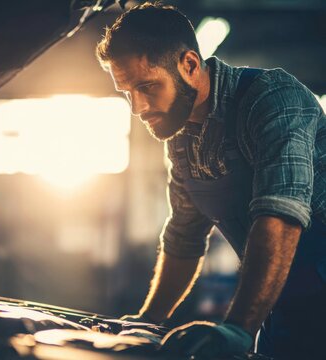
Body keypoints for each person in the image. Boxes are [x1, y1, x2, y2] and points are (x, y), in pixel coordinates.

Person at [96, 2, 326, 359]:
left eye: (146, 86)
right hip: (282, 307)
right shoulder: (181, 134)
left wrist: (237, 329)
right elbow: (185, 234)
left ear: (188, 65)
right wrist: (148, 321)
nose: (138, 107)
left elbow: (280, 217)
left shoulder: (272, 98)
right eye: (126, 93)